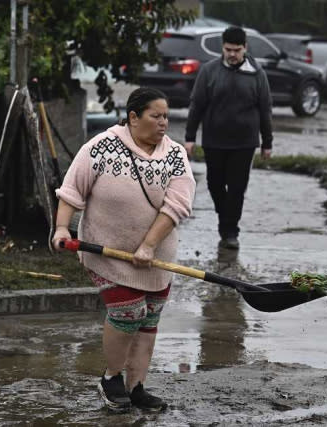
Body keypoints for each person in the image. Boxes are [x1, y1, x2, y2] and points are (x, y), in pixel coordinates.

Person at [52, 87, 195, 412]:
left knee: (149, 319)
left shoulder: (174, 155)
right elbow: (72, 189)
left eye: (166, 117)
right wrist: (62, 228)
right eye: (155, 116)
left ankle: (137, 387)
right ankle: (111, 377)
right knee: (128, 313)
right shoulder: (101, 147)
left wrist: (148, 246)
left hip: (156, 258)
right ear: (134, 117)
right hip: (108, 253)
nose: (163, 123)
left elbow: (177, 205)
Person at [184, 26, 273, 250]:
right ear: (222, 48)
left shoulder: (256, 73)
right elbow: (197, 105)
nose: (232, 54)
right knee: (214, 184)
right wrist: (190, 136)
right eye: (228, 49)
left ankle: (230, 232)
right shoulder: (209, 71)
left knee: (236, 188)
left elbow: (265, 110)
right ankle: (225, 217)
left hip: (245, 142)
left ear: (245, 48)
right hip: (214, 140)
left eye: (237, 50)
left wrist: (267, 142)